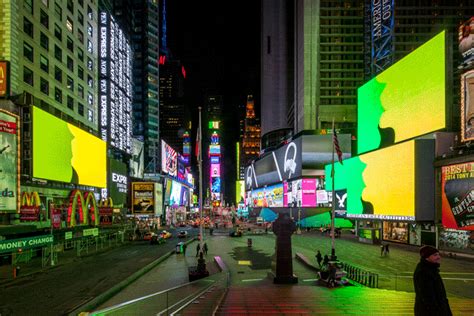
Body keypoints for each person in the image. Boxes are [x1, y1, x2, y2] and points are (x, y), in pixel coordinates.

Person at [413, 245, 452, 316]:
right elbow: (427, 297)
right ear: (427, 257)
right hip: (430, 312)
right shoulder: (424, 272)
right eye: (435, 255)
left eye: (438, 254)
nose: (438, 257)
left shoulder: (431, 269)